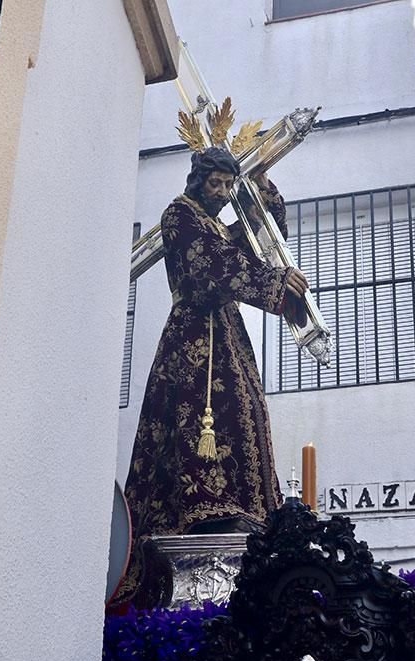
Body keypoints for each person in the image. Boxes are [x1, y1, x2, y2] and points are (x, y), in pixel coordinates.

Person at [112, 147, 309, 608]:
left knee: (243, 413)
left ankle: (247, 511)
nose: (222, 193)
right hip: (194, 337)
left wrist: (263, 194)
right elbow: (215, 266)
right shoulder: (180, 215)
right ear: (198, 180)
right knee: (201, 422)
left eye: (228, 185)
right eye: (216, 184)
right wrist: (275, 286)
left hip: (226, 332)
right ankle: (203, 507)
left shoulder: (217, 225)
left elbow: (252, 241)